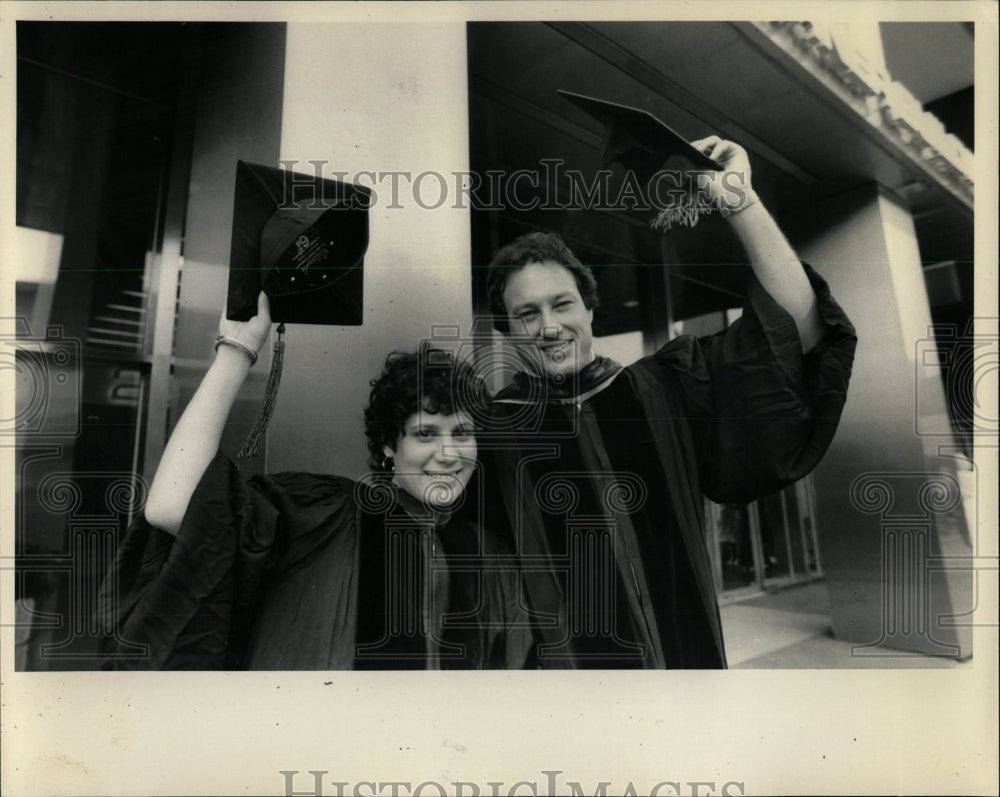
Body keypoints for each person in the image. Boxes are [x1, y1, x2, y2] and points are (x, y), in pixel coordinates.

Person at [483, 135, 857, 669]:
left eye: (562, 303)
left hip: (684, 661)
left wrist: (740, 203)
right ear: (508, 332)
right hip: (565, 689)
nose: (548, 326)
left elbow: (795, 331)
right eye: (526, 314)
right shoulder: (495, 430)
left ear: (591, 309)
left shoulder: (664, 389)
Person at [97, 294, 536, 669]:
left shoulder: (489, 556)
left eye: (463, 434)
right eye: (426, 433)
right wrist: (238, 349)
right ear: (388, 446)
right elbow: (172, 507)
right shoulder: (322, 515)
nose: (448, 453)